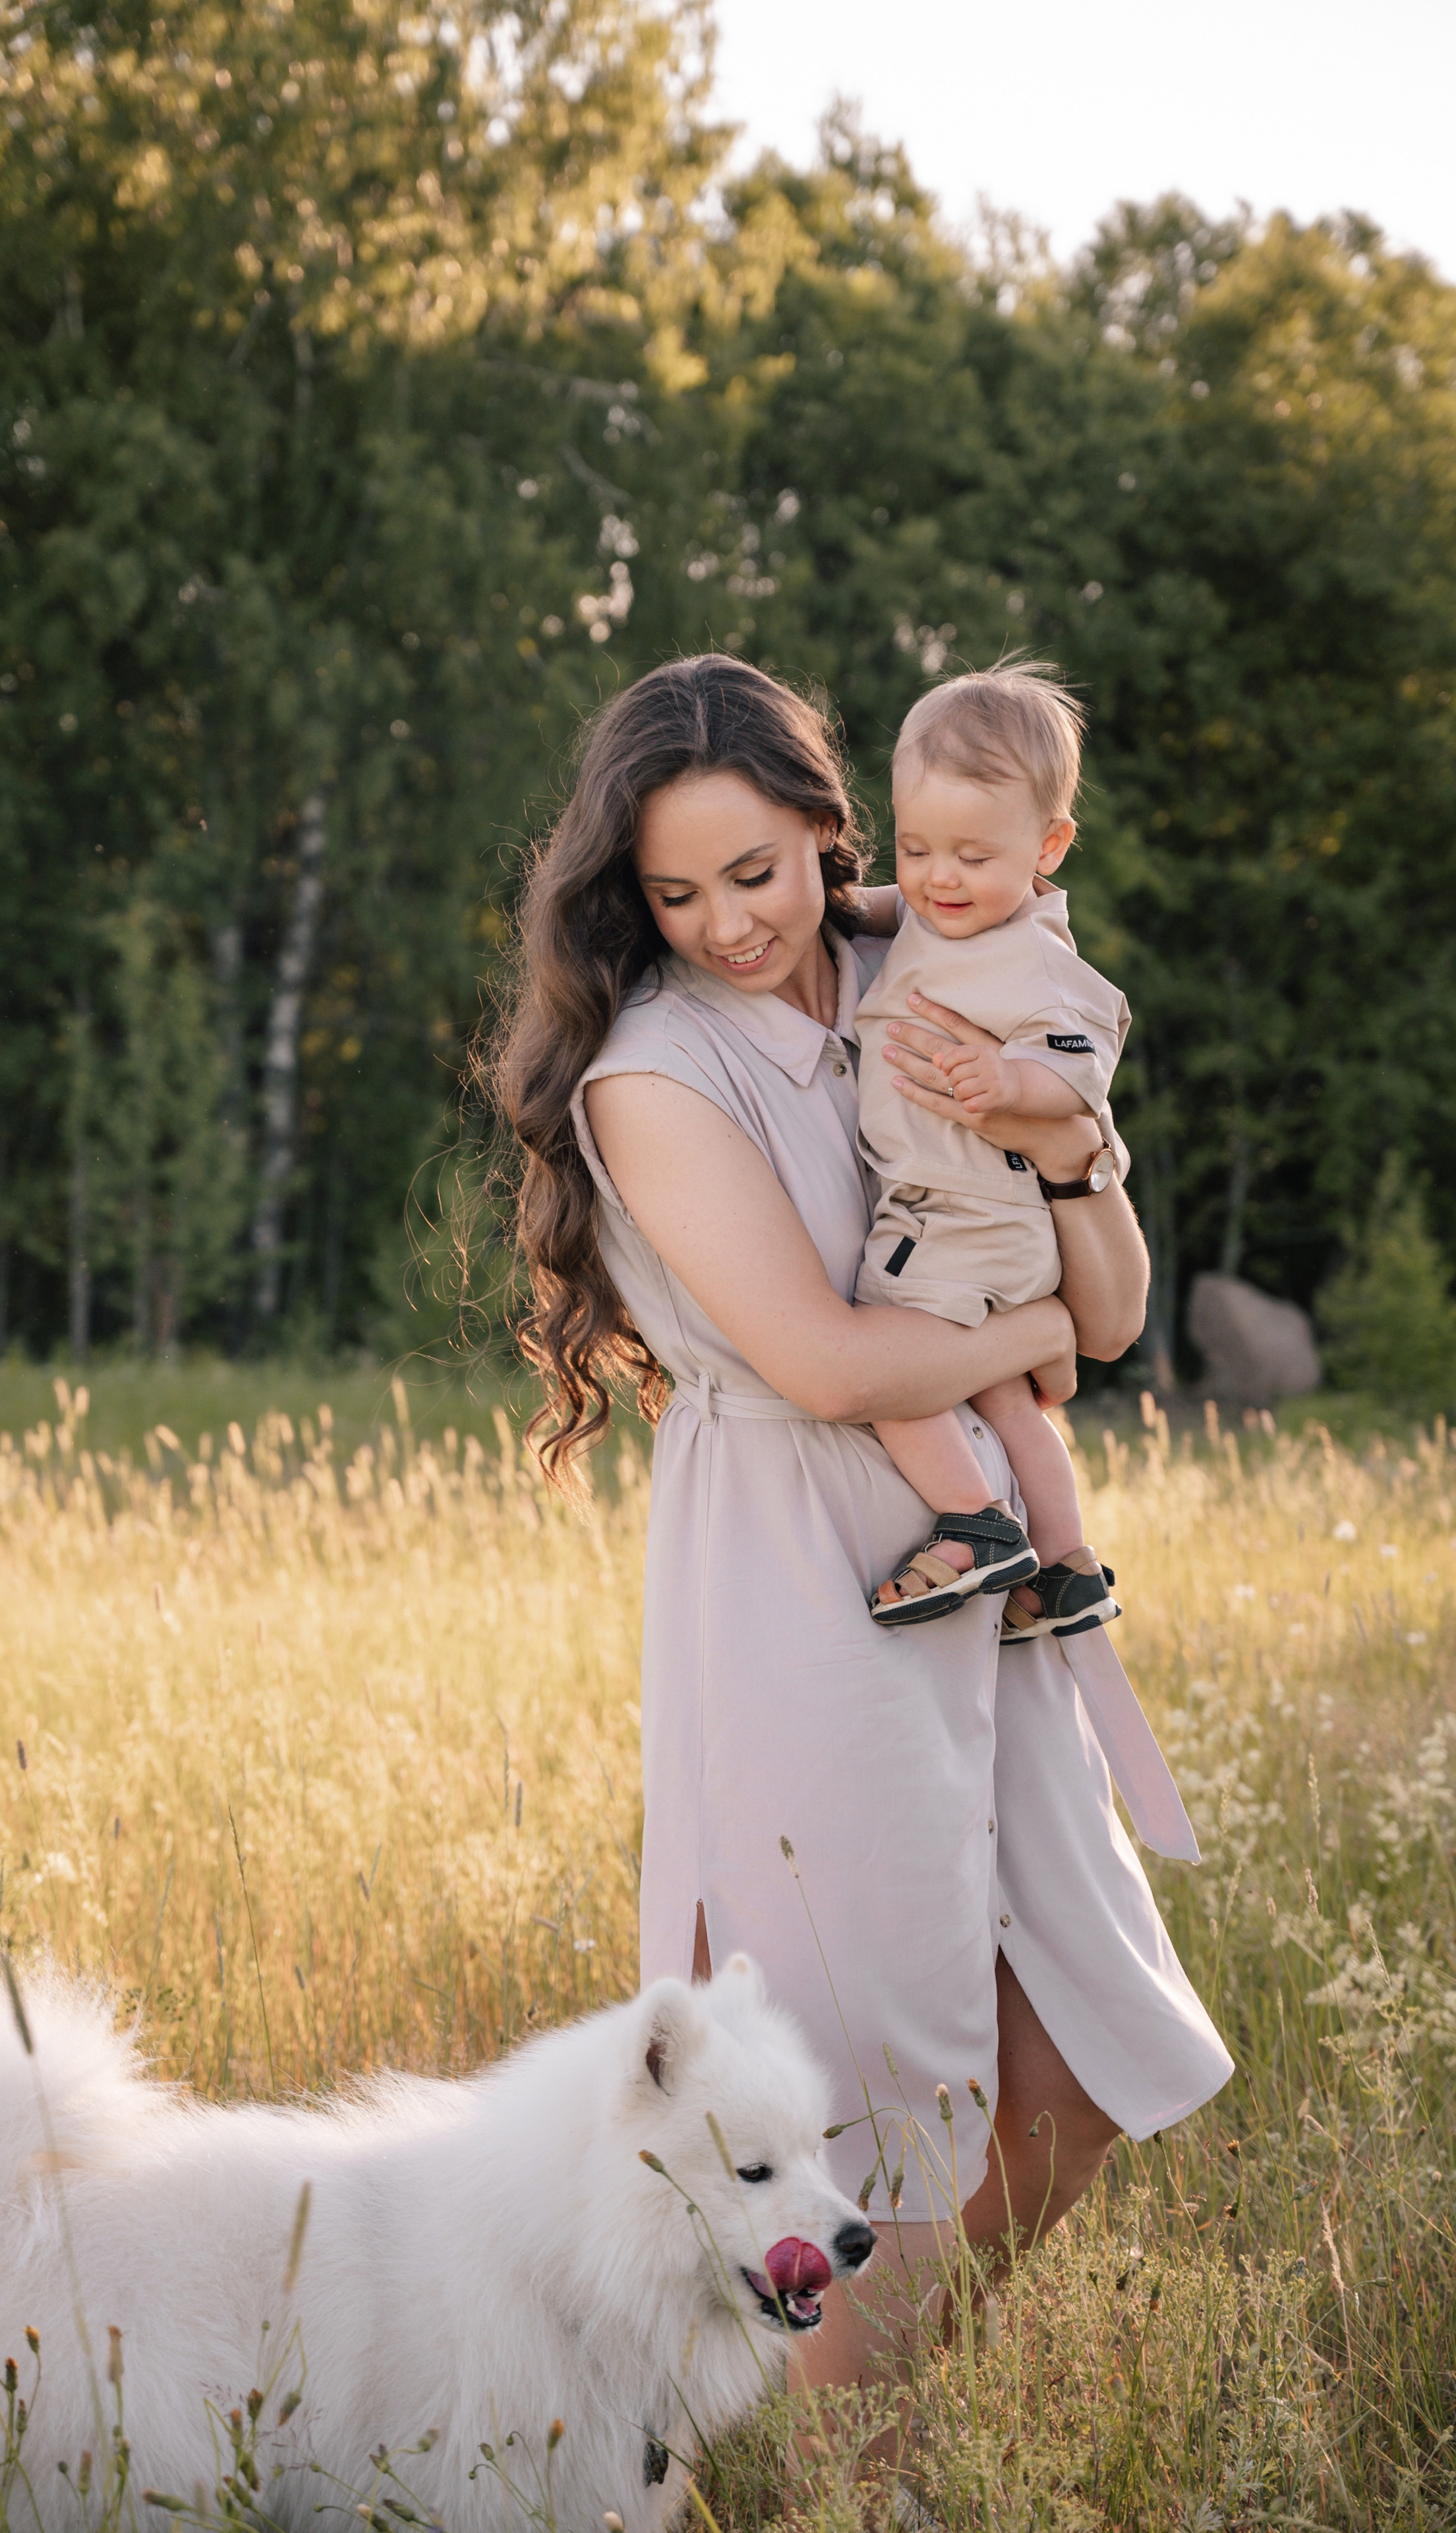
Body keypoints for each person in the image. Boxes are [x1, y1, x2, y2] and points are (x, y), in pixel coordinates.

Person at [490, 653, 1231, 2401]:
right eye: (674, 893)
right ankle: (826, 2463)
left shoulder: (942, 962)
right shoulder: (650, 1074)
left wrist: (1070, 1158)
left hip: (985, 1567)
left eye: (758, 873)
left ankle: (842, 2425)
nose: (727, 925)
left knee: (1079, 2065)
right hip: (797, 1570)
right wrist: (1027, 1338)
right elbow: (824, 1361)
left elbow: (1110, 1307)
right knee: (854, 2094)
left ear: (835, 835)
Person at [854, 663, 1127, 1647]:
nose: (937, 877)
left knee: (883, 1355)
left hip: (962, 1213)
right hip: (985, 1228)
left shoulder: (1039, 961)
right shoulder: (945, 910)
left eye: (971, 853)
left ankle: (975, 1525)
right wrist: (838, 904)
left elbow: (1083, 1064)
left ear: (1049, 846)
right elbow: (894, 907)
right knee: (1008, 1397)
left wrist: (1010, 1087)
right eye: (917, 845)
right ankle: (1066, 1564)